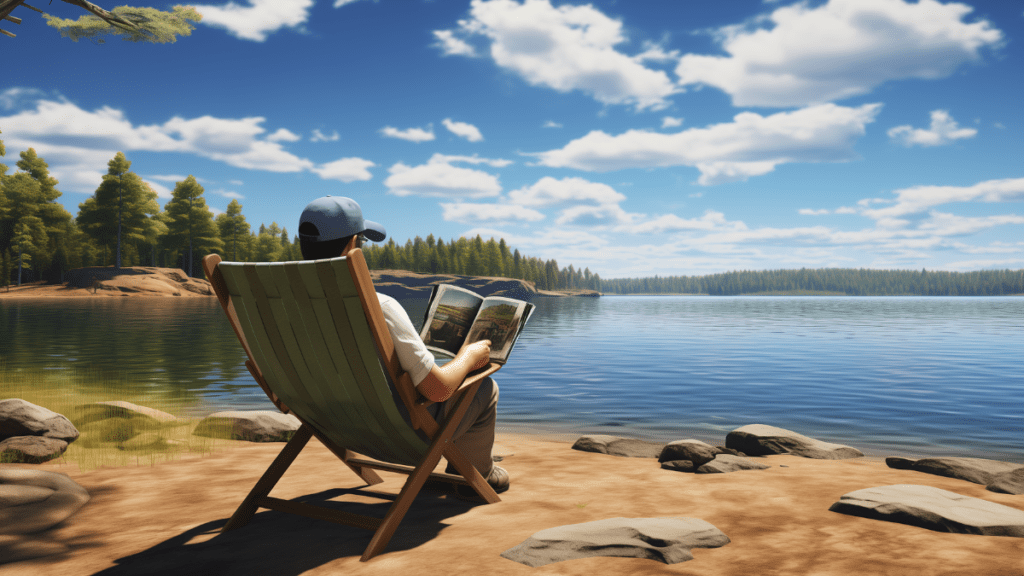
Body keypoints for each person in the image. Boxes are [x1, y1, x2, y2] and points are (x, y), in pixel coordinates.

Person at [297, 195, 509, 500]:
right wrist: (468, 357)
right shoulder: (378, 306)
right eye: (363, 244)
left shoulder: (276, 305)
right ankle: (477, 474)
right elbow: (437, 391)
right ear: (353, 245)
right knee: (485, 388)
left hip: (334, 425)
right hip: (401, 435)